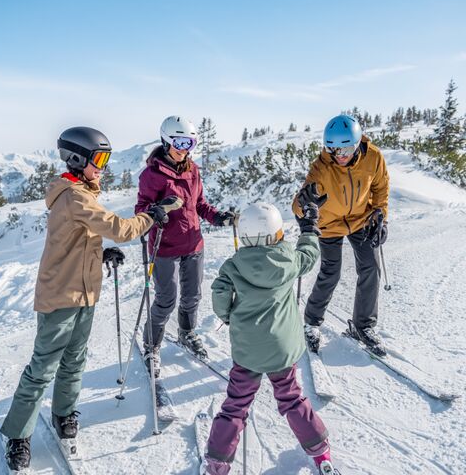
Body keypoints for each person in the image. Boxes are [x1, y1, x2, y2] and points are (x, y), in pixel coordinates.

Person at [0, 127, 182, 472]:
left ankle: (64, 413)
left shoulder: (81, 192)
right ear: (77, 159)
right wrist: (152, 215)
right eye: (98, 159)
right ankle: (17, 435)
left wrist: (99, 254)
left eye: (106, 159)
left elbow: (75, 239)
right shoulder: (75, 196)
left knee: (74, 361)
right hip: (60, 296)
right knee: (42, 368)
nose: (103, 167)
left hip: (84, 293)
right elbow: (120, 228)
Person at [204, 202, 339, 475]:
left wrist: (228, 316)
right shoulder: (287, 259)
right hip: (281, 350)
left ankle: (218, 463)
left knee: (236, 405)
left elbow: (219, 295)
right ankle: (320, 452)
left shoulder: (233, 266)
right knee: (291, 398)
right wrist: (309, 228)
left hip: (248, 350)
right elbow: (309, 255)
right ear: (276, 234)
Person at [135, 116, 235, 377]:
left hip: (193, 243)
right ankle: (151, 345)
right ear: (166, 140)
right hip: (164, 246)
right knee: (166, 300)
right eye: (180, 142)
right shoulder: (151, 175)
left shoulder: (193, 170)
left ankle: (186, 332)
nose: (185, 148)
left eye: (190, 142)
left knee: (192, 296)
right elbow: (141, 209)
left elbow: (199, 204)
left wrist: (217, 217)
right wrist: (158, 210)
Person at [292, 114, 390, 356]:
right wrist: (303, 204)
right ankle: (311, 323)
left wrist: (381, 214)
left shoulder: (373, 157)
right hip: (329, 224)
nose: (340, 155)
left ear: (357, 143)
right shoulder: (322, 167)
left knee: (370, 267)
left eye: (345, 148)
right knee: (331, 273)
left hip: (360, 219)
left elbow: (381, 188)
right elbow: (299, 204)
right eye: (333, 148)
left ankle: (363, 325)